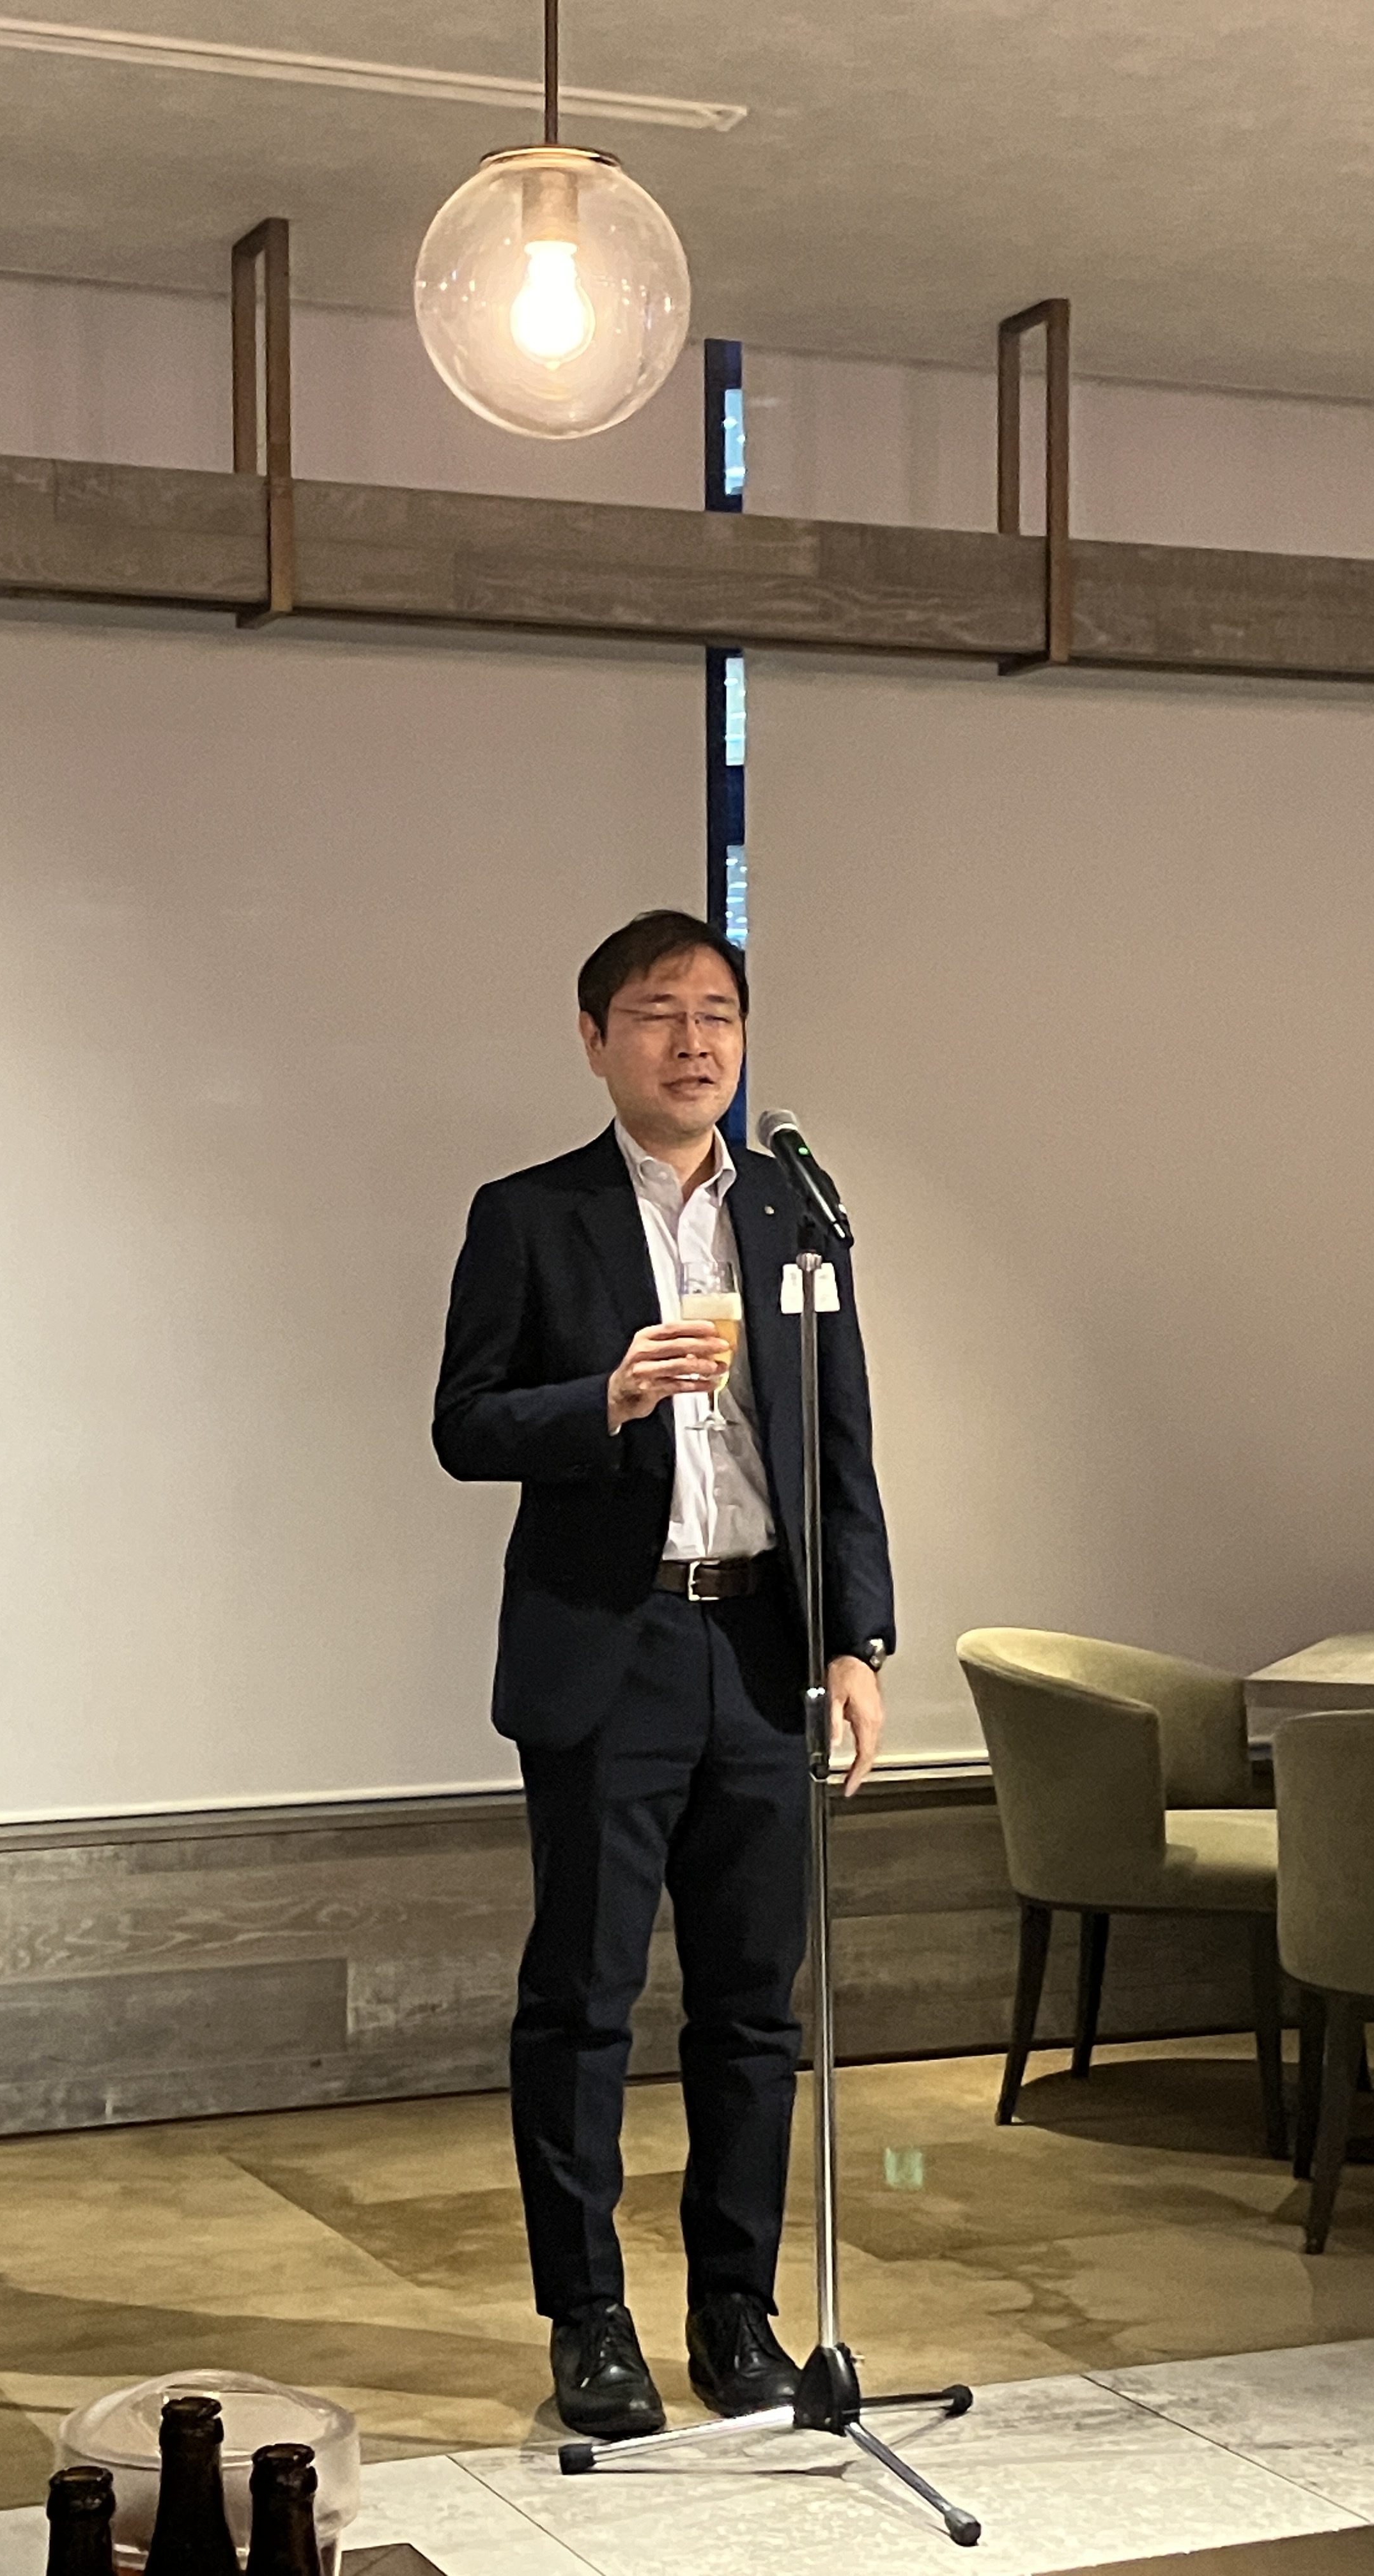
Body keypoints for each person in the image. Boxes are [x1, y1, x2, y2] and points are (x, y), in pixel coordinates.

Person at [433, 909, 893, 2439]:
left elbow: (839, 1441)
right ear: (595, 1038)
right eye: (658, 1014)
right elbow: (464, 1423)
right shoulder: (530, 1214)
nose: (694, 1042)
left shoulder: (794, 1212)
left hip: (760, 1645)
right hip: (610, 1646)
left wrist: (857, 1640)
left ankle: (736, 2314)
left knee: (753, 2006)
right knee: (583, 1999)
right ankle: (591, 2323)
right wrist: (606, 1399)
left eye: (718, 1014)